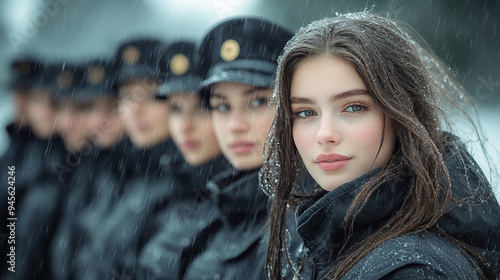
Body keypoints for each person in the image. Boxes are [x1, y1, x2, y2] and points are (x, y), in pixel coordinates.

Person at [260, 12, 500, 279]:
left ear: (401, 112)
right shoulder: (328, 241)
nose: (325, 134)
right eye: (306, 112)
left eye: (354, 107)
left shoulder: (414, 271)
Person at [176, 17, 295, 280]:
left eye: (257, 102)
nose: (235, 125)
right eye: (222, 106)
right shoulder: (226, 204)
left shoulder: (306, 230)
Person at [137, 40, 229, 279]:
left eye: (200, 109)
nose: (185, 126)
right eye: (176, 109)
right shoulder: (180, 185)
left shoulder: (246, 202)